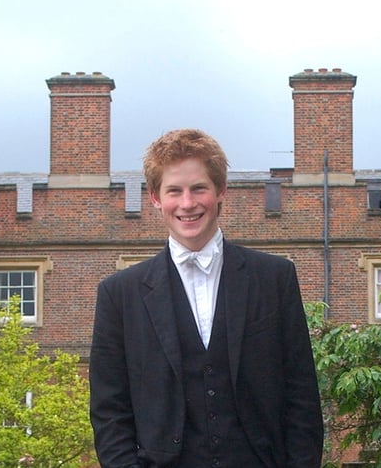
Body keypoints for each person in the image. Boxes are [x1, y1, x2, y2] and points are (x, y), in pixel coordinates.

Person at [89, 128, 324, 467]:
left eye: (199, 188)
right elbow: (109, 411)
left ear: (221, 190)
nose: (188, 203)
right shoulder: (119, 294)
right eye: (174, 191)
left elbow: (301, 397)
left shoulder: (274, 278)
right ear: (156, 197)